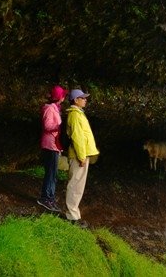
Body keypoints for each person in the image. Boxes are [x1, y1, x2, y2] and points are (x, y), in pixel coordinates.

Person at [64, 88, 99, 228]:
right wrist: (81, 156)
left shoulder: (78, 114)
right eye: (82, 98)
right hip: (79, 155)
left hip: (82, 154)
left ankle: (74, 214)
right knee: (75, 184)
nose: (85, 100)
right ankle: (72, 216)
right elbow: (77, 137)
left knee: (78, 185)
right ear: (75, 100)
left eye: (85, 98)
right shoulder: (74, 115)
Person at [37, 85, 66, 212]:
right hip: (50, 145)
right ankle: (45, 198)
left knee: (53, 173)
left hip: (54, 144)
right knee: (51, 173)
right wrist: (59, 126)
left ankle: (50, 197)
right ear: (60, 97)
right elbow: (47, 126)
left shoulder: (55, 108)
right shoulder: (49, 109)